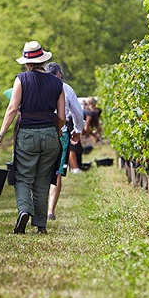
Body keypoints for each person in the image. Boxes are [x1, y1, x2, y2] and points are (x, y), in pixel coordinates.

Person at [0, 41, 65, 234]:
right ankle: (41, 225)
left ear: (27, 63)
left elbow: (13, 109)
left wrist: (1, 135)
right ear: (42, 61)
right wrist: (55, 133)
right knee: (42, 179)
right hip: (50, 134)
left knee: (23, 177)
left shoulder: (21, 79)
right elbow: (62, 117)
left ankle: (24, 210)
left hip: (26, 134)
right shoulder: (57, 83)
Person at [44, 62, 84, 221]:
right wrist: (78, 130)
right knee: (57, 171)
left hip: (40, 130)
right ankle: (50, 210)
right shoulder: (65, 88)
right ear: (58, 73)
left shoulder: (38, 86)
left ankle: (36, 207)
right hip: (61, 132)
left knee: (40, 169)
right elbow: (77, 112)